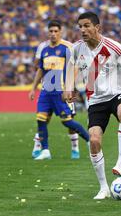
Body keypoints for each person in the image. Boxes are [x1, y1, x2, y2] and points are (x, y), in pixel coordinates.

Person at [64, 12, 121, 200]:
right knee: (94, 141)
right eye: (80, 26)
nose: (82, 30)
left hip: (117, 94)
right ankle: (104, 188)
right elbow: (70, 68)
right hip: (96, 100)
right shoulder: (76, 49)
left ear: (97, 28)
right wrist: (68, 88)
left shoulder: (113, 47)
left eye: (86, 26)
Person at [29, 20, 89, 160]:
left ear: (61, 32)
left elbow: (74, 67)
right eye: (51, 31)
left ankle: (89, 140)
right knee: (41, 120)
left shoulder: (67, 48)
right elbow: (40, 70)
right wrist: (33, 88)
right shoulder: (44, 49)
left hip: (60, 90)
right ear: (48, 32)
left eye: (56, 31)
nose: (53, 34)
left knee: (67, 121)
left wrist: (69, 87)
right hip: (46, 91)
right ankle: (45, 151)